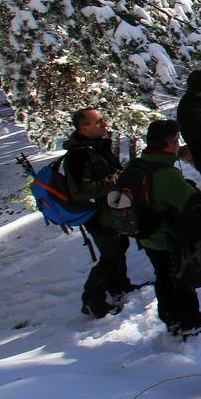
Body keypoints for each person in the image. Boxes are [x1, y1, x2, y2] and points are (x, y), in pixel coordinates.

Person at [130, 119, 201, 337]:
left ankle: (170, 317)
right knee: (180, 279)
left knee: (163, 276)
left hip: (146, 236)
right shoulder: (166, 175)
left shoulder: (137, 165)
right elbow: (190, 202)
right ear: (170, 144)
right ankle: (190, 322)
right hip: (166, 238)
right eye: (176, 141)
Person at [62, 107, 132, 318]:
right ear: (83, 128)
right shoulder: (79, 155)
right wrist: (114, 179)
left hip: (111, 209)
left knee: (120, 246)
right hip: (98, 215)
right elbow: (81, 191)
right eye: (99, 121)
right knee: (110, 255)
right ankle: (92, 300)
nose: (104, 123)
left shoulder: (97, 146)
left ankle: (120, 286)